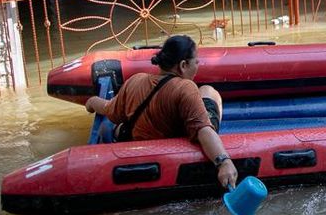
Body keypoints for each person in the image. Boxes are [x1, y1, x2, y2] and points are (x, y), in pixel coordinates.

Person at [84, 35, 237, 189]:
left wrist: (91, 102)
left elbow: (108, 109)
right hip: (172, 146)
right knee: (208, 91)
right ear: (183, 65)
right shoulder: (185, 88)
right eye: (196, 61)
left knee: (121, 126)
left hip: (137, 141)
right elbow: (203, 130)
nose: (198, 64)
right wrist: (224, 162)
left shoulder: (135, 81)